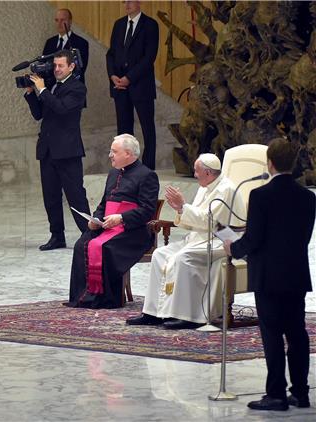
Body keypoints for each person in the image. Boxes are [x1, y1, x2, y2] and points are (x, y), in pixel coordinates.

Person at [225, 139, 314, 411]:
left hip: (268, 275)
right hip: (295, 273)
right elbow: (303, 237)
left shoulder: (260, 195)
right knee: (297, 333)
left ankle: (275, 393)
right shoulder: (308, 197)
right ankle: (300, 392)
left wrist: (233, 248)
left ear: (270, 163)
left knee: (273, 335)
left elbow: (253, 238)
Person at [126, 154, 244, 329]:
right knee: (160, 254)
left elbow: (211, 223)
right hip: (199, 238)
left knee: (184, 257)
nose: (194, 175)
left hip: (222, 240)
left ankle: (187, 315)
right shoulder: (205, 186)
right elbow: (195, 219)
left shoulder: (225, 190)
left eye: (197, 171)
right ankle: (153, 312)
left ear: (208, 173)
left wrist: (183, 207)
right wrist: (181, 209)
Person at [67, 134, 159, 308]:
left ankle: (106, 299)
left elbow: (147, 211)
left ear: (129, 153)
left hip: (133, 231)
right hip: (107, 226)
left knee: (105, 247)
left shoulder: (147, 175)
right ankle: (82, 297)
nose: (110, 155)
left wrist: (121, 218)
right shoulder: (113, 173)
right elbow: (104, 203)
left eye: (114, 152)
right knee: (82, 244)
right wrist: (95, 219)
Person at [24, 49, 90, 251]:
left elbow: (62, 109)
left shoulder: (77, 88)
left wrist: (43, 90)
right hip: (48, 150)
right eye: (55, 66)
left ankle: (89, 234)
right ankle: (57, 235)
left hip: (68, 151)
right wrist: (31, 93)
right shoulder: (52, 87)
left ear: (71, 66)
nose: (57, 69)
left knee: (76, 195)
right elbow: (39, 115)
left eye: (61, 66)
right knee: (50, 196)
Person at [105, 1, 159, 170]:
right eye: (124, 1)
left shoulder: (150, 25)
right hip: (120, 86)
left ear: (139, 2)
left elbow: (149, 57)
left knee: (147, 128)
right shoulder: (119, 24)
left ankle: (148, 167)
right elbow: (111, 53)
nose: (126, 4)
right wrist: (113, 75)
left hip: (141, 85)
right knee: (123, 129)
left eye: (130, 1)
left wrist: (129, 77)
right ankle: (126, 166)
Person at [42, 8, 89, 84]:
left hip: (71, 89)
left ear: (70, 21)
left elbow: (80, 69)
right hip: (51, 89)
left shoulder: (81, 43)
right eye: (57, 20)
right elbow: (44, 64)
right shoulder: (50, 42)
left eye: (63, 20)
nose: (59, 23)